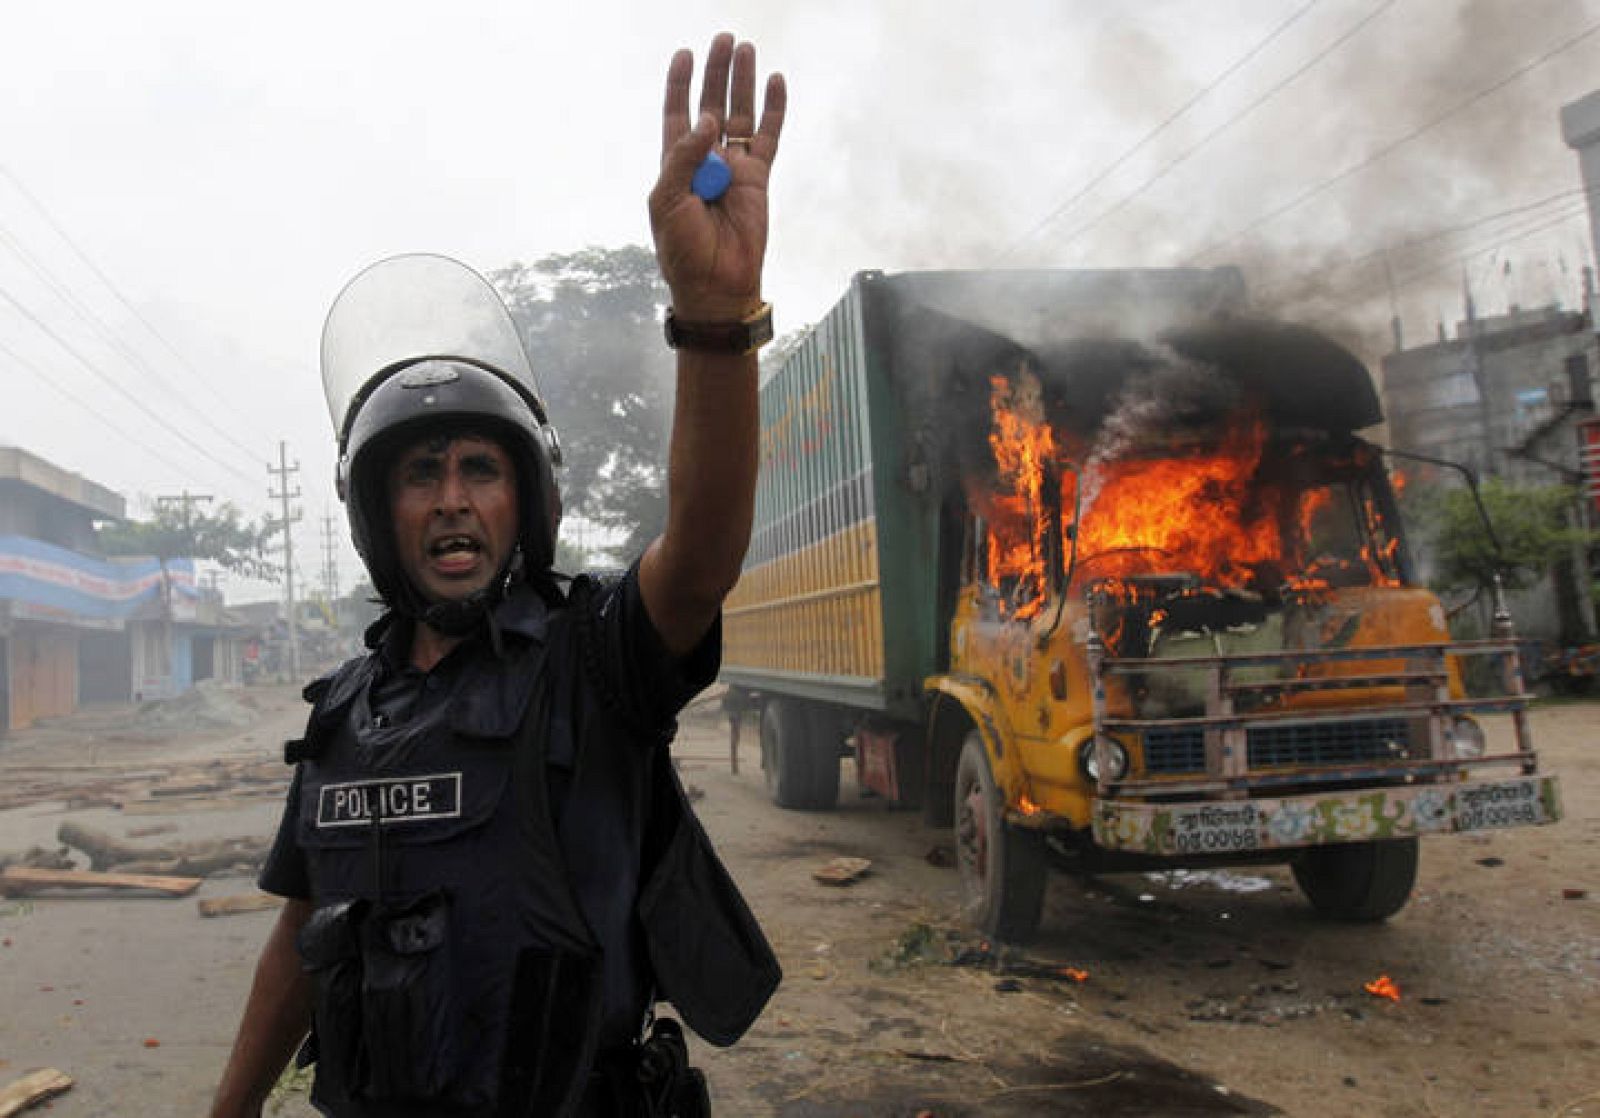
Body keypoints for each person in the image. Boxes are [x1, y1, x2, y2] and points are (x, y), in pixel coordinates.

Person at [210, 32, 786, 1118]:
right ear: (383, 513)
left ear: (523, 500)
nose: (455, 497)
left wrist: (715, 322)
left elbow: (703, 554)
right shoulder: (344, 710)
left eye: (481, 467)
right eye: (422, 473)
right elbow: (298, 929)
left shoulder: (591, 659)